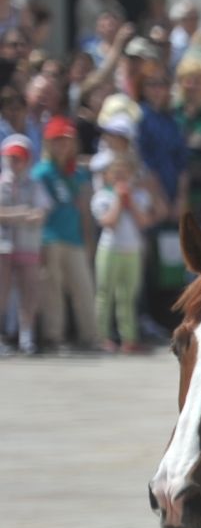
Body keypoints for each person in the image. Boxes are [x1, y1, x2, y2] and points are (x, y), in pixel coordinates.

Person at [30, 118, 95, 352]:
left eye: (66, 141)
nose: (62, 146)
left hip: (74, 237)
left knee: (84, 288)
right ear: (48, 143)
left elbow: (85, 210)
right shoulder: (41, 172)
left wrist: (89, 240)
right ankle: (54, 337)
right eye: (57, 141)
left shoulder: (77, 174)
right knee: (52, 289)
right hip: (49, 238)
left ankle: (91, 337)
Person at [91, 153, 154, 352]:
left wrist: (131, 201)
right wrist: (119, 199)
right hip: (109, 249)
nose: (121, 177)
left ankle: (129, 338)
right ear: (108, 175)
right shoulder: (102, 196)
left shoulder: (140, 196)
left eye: (125, 173)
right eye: (116, 173)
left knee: (128, 295)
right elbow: (109, 222)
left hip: (132, 250)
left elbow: (144, 222)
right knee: (105, 293)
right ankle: (101, 337)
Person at [0, 133, 47, 354]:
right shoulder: (2, 183)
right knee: (2, 291)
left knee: (29, 289)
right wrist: (20, 214)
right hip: (4, 244)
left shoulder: (34, 183)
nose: (15, 163)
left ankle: (26, 336)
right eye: (11, 158)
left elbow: (41, 211)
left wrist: (27, 215)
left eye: (19, 158)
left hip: (28, 244)